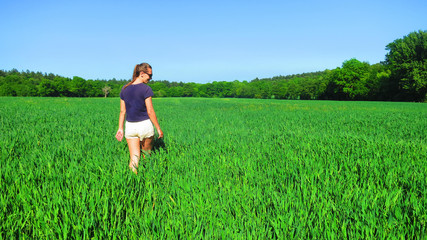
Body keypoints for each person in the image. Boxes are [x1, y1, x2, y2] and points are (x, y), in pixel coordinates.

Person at [115, 63, 163, 174]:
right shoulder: (146, 89)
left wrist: (120, 128)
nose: (151, 78)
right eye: (149, 75)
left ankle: (132, 182)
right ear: (141, 74)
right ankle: (147, 178)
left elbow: (123, 111)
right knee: (147, 155)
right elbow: (150, 111)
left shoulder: (124, 89)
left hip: (130, 127)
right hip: (145, 125)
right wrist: (158, 129)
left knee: (134, 158)